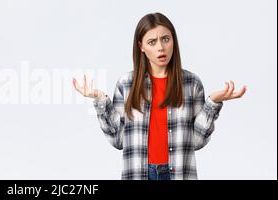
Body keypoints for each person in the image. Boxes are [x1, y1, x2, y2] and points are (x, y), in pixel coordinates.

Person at [72, 12, 246, 180]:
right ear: (141, 46)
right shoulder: (126, 83)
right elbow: (118, 140)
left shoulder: (191, 83)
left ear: (173, 41)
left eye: (165, 39)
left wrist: (213, 103)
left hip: (179, 173)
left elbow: (197, 142)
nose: (160, 48)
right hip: (139, 173)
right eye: (152, 42)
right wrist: (101, 100)